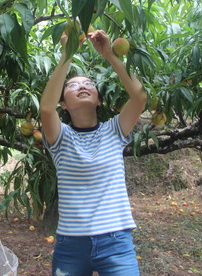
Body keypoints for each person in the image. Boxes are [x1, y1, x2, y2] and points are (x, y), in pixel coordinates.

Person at [40, 29, 147, 276]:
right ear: (63, 104)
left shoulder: (115, 130)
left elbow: (139, 98)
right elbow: (46, 109)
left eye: (89, 84)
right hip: (71, 245)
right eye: (73, 85)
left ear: (99, 99)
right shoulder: (61, 137)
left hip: (116, 243)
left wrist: (110, 55)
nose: (82, 86)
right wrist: (68, 54)